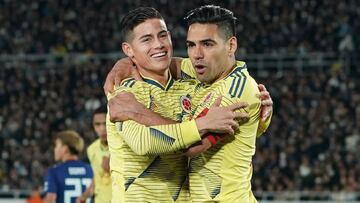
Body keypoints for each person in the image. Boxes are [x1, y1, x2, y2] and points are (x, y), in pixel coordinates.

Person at [106, 5, 273, 203]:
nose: (197, 54)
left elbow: (192, 146)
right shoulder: (126, 94)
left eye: (208, 44)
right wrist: (124, 63)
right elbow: (143, 142)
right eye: (191, 45)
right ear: (128, 49)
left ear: (231, 45)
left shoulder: (216, 86)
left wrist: (138, 112)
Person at [43, 130, 93, 203]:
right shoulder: (91, 169)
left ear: (65, 149)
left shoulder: (54, 172)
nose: (55, 149)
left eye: (57, 145)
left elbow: (50, 200)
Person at [77, 106, 111, 203]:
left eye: (105, 123)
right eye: (97, 124)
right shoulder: (92, 149)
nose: (102, 128)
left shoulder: (123, 145)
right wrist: (85, 196)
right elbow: (97, 178)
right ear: (93, 126)